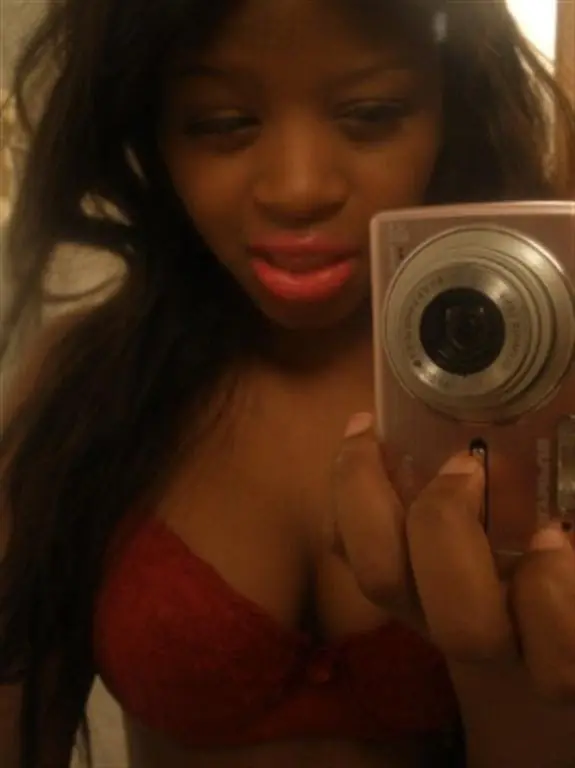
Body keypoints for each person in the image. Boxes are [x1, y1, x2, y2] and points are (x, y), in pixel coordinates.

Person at [1, 0, 575, 766]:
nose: (298, 189)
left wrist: (508, 674)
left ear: (452, 109)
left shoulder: (553, 390)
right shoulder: (84, 383)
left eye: (371, 114)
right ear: (150, 131)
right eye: (220, 122)